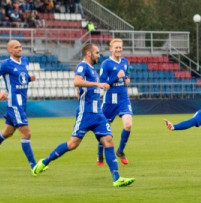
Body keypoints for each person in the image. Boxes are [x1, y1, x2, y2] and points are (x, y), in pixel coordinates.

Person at [33, 43, 134, 187]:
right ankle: (44, 162)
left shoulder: (92, 70)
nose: (99, 55)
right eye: (97, 53)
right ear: (89, 54)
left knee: (108, 141)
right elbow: (76, 81)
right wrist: (96, 85)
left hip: (97, 113)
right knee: (72, 144)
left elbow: (81, 87)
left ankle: (117, 178)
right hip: (85, 113)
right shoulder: (83, 66)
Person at [0, 39, 37, 171]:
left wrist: (29, 79)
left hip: (23, 102)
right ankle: (34, 166)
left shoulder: (25, 61)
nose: (19, 49)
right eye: (16, 47)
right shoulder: (5, 64)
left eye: (20, 47)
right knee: (26, 134)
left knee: (7, 132)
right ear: (10, 50)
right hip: (14, 103)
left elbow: (21, 78)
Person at [96, 38, 133, 166]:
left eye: (120, 47)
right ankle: (100, 153)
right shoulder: (106, 64)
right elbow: (102, 83)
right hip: (110, 101)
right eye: (116, 47)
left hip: (123, 98)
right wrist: (115, 77)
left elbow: (126, 76)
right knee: (105, 129)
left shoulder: (125, 62)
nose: (118, 49)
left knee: (128, 125)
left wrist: (127, 81)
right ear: (111, 49)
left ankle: (120, 151)